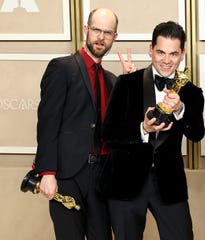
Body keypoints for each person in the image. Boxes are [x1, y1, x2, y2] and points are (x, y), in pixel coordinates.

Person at [32, 8, 134, 239]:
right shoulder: (62, 67)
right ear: (86, 30)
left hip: (101, 175)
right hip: (67, 175)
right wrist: (47, 172)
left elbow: (121, 128)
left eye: (107, 32)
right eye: (96, 30)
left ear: (114, 37)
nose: (101, 37)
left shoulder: (112, 80)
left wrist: (128, 86)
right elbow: (47, 122)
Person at [100, 21, 205, 240]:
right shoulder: (127, 83)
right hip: (125, 182)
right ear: (151, 50)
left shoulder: (192, 92)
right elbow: (109, 133)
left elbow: (197, 134)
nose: (167, 60)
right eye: (161, 52)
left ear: (183, 54)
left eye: (174, 54)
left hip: (169, 183)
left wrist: (181, 110)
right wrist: (143, 128)